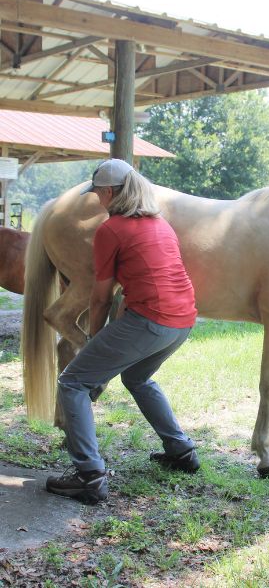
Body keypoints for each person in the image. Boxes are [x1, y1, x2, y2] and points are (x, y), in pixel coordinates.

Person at [46, 159, 199, 505]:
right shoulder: (160, 224)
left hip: (150, 320)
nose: (98, 199)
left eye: (98, 192)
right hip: (183, 321)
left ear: (111, 192)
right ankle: (181, 450)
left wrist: (91, 342)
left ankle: (89, 476)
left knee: (73, 382)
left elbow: (99, 298)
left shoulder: (111, 229)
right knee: (137, 378)